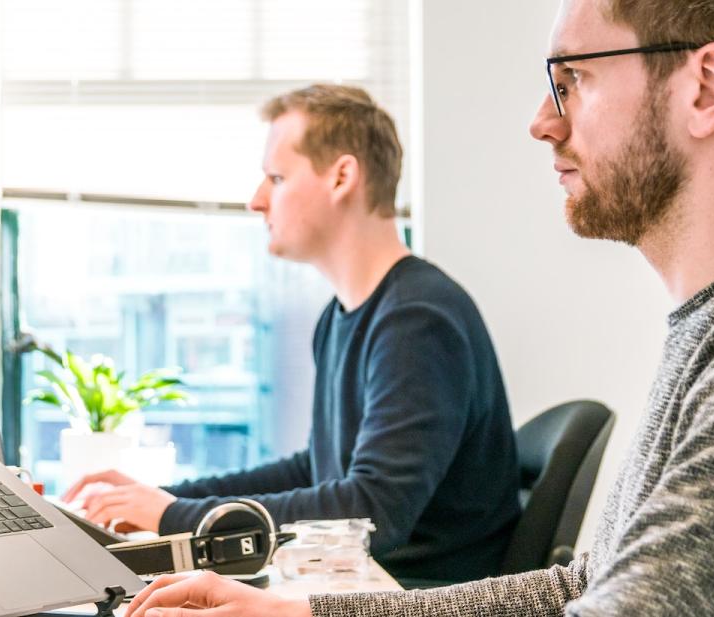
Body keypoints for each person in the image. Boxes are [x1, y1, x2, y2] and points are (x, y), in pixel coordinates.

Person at [124, 0, 714, 615]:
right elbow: (584, 584)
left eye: (572, 82)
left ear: (705, 87)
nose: (540, 121)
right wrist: (303, 613)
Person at [63, 84, 523, 584]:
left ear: (342, 177)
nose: (256, 201)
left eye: (277, 178)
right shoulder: (344, 316)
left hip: (416, 594)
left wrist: (174, 517)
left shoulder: (418, 320)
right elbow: (317, 470)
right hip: (366, 583)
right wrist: (170, 499)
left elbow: (372, 512)